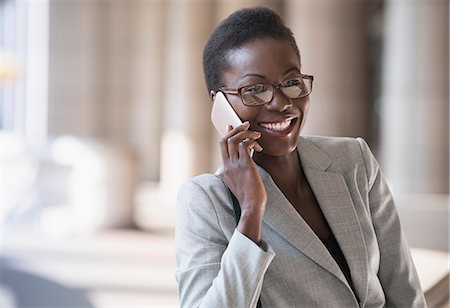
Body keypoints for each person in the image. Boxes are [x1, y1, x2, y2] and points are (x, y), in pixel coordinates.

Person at [175, 6, 426, 308]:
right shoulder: (206, 200)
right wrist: (251, 212)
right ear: (220, 103)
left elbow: (404, 291)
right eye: (254, 89)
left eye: (292, 82)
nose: (281, 103)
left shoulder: (353, 160)